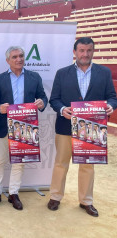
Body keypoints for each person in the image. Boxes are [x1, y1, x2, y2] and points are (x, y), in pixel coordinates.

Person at [48, 37, 117, 217]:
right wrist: (62, 109)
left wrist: (111, 105)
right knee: (61, 163)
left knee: (87, 165)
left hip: (92, 128)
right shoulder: (62, 73)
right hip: (65, 126)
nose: (85, 54)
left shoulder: (104, 72)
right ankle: (55, 197)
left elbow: (112, 96)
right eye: (81, 50)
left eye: (88, 50)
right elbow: (54, 99)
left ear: (93, 51)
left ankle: (86, 201)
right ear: (75, 52)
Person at [0, 46, 48, 211]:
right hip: (3, 125)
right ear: (8, 60)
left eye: (21, 56)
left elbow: (42, 96)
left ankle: (14, 193)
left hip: (25, 126)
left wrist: (42, 102)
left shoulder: (34, 77)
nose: (19, 59)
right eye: (14, 57)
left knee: (19, 162)